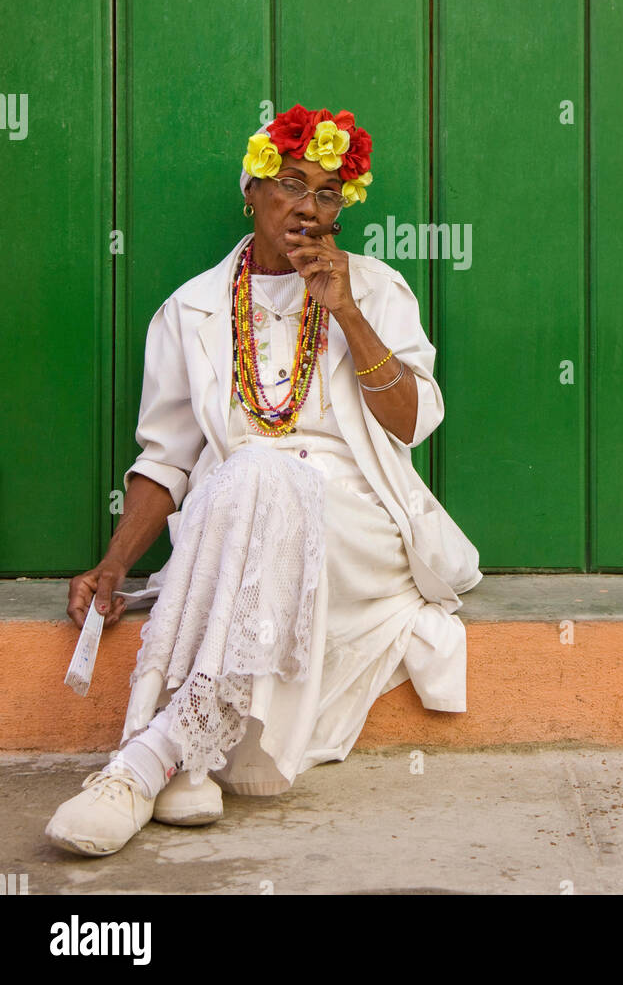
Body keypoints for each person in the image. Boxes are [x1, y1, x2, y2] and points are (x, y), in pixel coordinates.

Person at [45, 103, 482, 857]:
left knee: (260, 475)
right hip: (234, 519)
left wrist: (345, 312)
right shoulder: (192, 309)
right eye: (289, 184)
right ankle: (186, 764)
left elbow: (413, 422)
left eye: (326, 194)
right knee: (250, 473)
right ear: (250, 191)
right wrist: (114, 565)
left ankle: (137, 763)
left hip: (353, 530)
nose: (307, 208)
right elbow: (168, 460)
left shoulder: (375, 290)